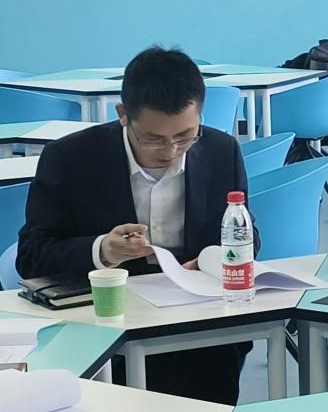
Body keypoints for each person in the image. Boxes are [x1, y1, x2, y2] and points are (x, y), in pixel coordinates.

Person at [17, 47, 258, 404]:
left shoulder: (221, 151)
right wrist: (102, 251)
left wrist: (210, 259)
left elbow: (247, 237)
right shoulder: (71, 158)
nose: (171, 151)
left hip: (197, 322)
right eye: (153, 138)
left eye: (185, 136)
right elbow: (32, 256)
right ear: (123, 116)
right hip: (104, 324)